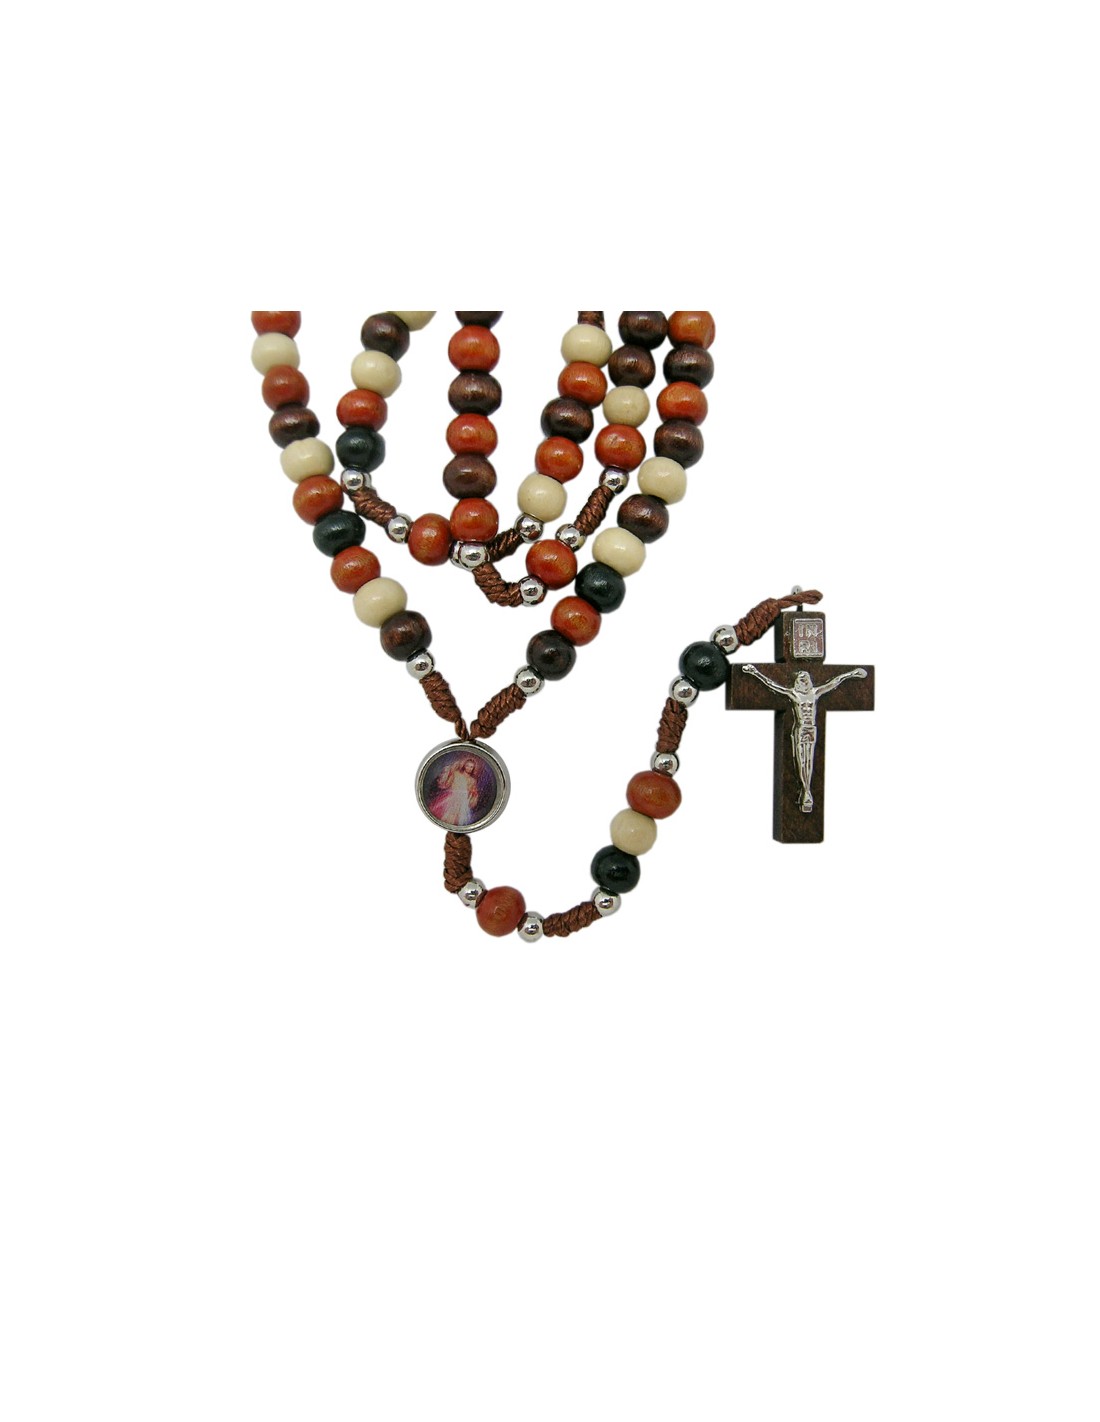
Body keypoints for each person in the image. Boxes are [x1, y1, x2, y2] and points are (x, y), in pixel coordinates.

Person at [740, 665, 867, 813]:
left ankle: (807, 791)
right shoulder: (794, 694)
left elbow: (835, 682)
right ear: (797, 682)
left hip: (811, 728)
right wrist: (755, 673)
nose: (804, 682)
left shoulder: (815, 693)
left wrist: (851, 674)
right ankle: (805, 790)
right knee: (801, 760)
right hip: (800, 729)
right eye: (801, 680)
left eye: (806, 679)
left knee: (809, 759)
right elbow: (772, 684)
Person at [428, 755, 482, 827]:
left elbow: (472, 792)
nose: (469, 768)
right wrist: (451, 770)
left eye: (471, 767)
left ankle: (455, 829)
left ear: (473, 768)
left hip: (463, 802)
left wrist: (472, 795)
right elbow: (448, 782)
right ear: (464, 766)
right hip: (452, 798)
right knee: (448, 816)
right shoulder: (456, 774)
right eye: (467, 766)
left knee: (459, 819)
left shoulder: (472, 780)